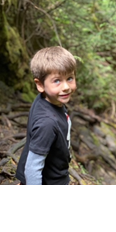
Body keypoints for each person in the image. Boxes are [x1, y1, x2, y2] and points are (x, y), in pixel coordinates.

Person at [16, 46, 77, 185]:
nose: (66, 87)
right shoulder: (47, 123)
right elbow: (32, 169)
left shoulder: (48, 100)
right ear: (40, 85)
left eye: (70, 78)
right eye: (57, 81)